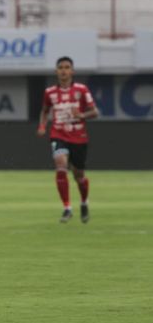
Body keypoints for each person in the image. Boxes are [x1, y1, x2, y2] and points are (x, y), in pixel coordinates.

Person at [37, 56, 99, 223]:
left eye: (67, 67)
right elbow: (44, 110)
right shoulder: (49, 92)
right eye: (61, 67)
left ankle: (84, 202)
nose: (64, 70)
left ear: (72, 71)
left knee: (79, 176)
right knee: (61, 165)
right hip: (58, 134)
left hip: (78, 137)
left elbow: (95, 112)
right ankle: (67, 208)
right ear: (56, 71)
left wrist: (82, 115)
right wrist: (42, 126)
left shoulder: (81, 90)